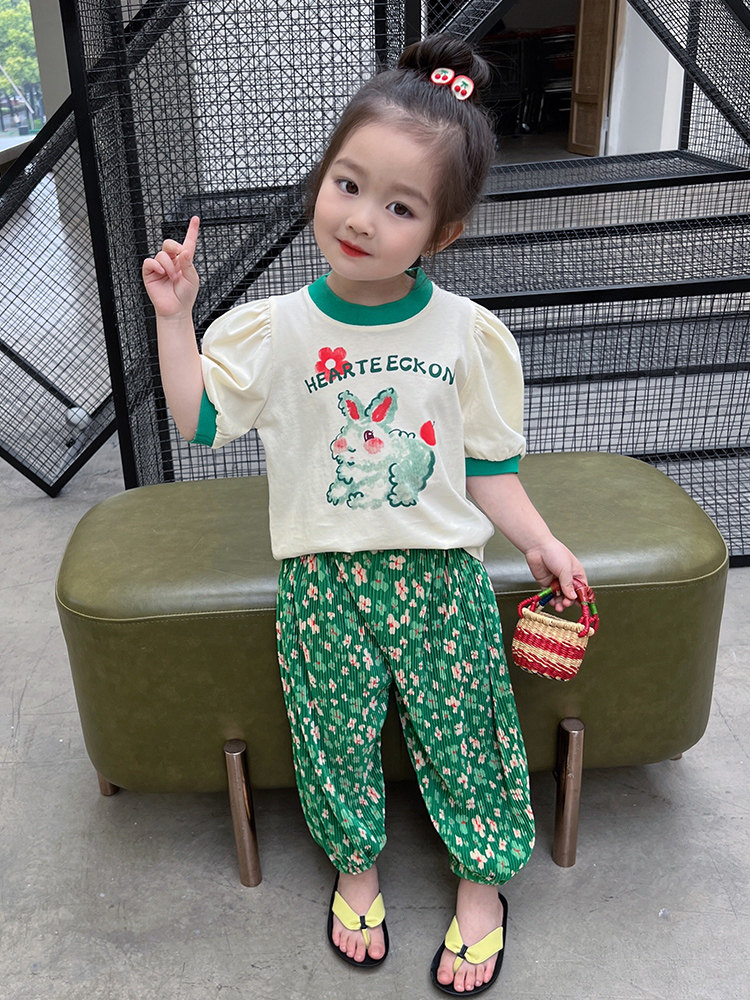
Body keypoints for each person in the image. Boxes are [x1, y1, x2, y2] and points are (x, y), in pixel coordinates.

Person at [142, 34, 587, 996]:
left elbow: (489, 470)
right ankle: (355, 869)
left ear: (443, 233)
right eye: (348, 185)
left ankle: (482, 886)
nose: (360, 219)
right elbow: (199, 419)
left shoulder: (466, 335)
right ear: (323, 179)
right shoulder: (276, 330)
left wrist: (542, 542)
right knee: (332, 735)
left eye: (400, 207)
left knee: (466, 734)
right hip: (322, 582)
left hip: (441, 579)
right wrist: (176, 319)